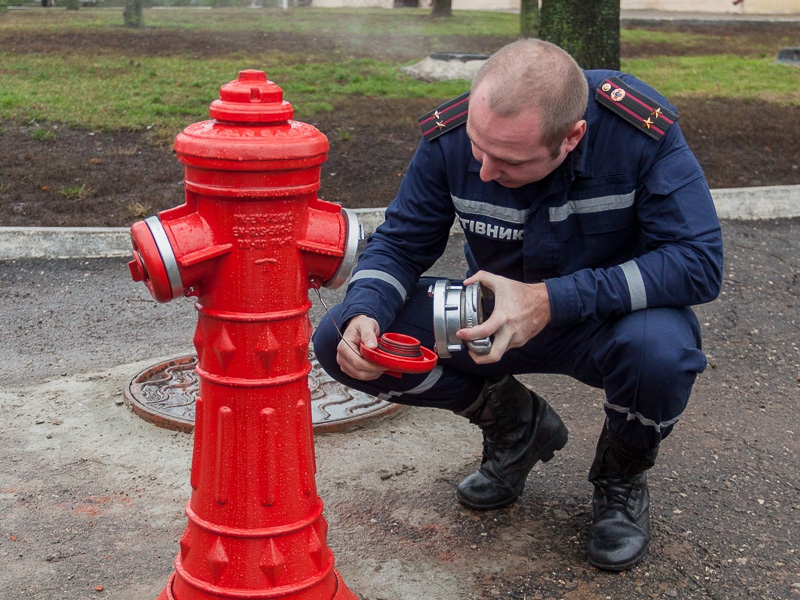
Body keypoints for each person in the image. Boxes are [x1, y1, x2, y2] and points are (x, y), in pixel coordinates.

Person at [312, 39, 723, 571]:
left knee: (662, 355)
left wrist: (552, 299)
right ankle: (515, 428)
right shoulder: (459, 132)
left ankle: (620, 476)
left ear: (572, 137)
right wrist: (365, 311)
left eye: (507, 161)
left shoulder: (637, 133)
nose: (482, 170)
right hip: (491, 322)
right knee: (337, 338)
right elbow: (401, 242)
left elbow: (699, 261)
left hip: (608, 323)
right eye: (478, 149)